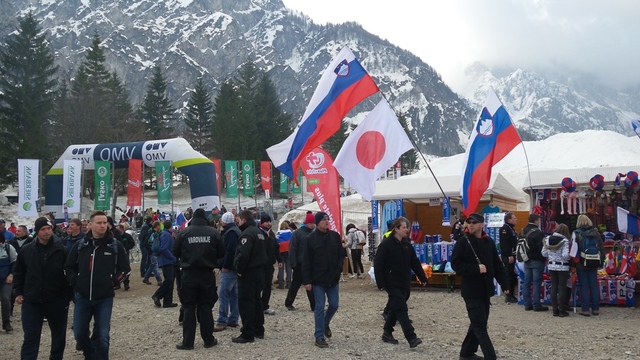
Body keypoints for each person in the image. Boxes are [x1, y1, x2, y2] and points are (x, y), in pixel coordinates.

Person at [65, 211, 130, 360]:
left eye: (105, 223)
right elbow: (68, 267)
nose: (103, 226)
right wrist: (76, 281)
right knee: (79, 333)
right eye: (99, 223)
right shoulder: (80, 245)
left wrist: (114, 281)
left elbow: (125, 268)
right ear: (90, 225)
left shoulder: (114, 245)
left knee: (102, 336)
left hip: (104, 298)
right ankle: (90, 354)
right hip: (82, 296)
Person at [451, 212, 510, 360]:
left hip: (485, 291)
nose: (471, 225)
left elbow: (496, 265)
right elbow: (456, 265)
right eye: (469, 222)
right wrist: (475, 269)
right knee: (480, 326)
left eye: (474, 222)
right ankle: (491, 356)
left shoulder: (488, 242)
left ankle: (466, 353)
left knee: (478, 323)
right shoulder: (463, 242)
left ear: (482, 225)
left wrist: (505, 283)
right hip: (471, 291)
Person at [13, 217, 71, 360]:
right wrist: (18, 292)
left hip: (56, 300)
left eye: (49, 228)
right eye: (43, 229)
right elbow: (19, 273)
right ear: (37, 231)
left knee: (58, 336)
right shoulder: (26, 250)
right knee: (30, 336)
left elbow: (68, 275)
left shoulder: (62, 250)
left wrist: (66, 297)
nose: (47, 232)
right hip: (32, 300)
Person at [173, 208, 224, 350]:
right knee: (206, 307)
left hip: (189, 274)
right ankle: (208, 340)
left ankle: (188, 342)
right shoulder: (213, 233)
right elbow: (222, 253)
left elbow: (175, 251)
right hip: (207, 274)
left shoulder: (184, 233)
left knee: (189, 308)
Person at [374, 217, 428, 348]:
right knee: (402, 308)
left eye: (407, 227)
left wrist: (422, 277)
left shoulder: (406, 244)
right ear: (396, 229)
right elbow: (378, 263)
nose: (407, 229)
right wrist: (380, 283)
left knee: (395, 307)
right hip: (391, 282)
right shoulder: (386, 244)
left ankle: (387, 332)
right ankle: (411, 337)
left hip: (404, 281)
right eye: (404, 227)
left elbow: (414, 261)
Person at [302, 212, 346, 348]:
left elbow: (341, 255)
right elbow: (306, 261)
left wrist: (339, 269)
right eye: (323, 220)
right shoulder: (311, 239)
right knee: (319, 307)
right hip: (318, 280)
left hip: (333, 278)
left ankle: (325, 323)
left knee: (334, 305)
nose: (327, 221)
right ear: (317, 222)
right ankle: (319, 336)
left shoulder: (334, 236)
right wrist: (307, 281)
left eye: (328, 219)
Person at [232, 210, 267, 343]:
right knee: (256, 300)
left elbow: (243, 254)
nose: (237, 222)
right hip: (259, 271)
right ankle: (258, 329)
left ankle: (247, 333)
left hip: (249, 272)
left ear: (244, 220)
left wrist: (239, 269)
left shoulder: (247, 234)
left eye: (239, 219)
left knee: (246, 302)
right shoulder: (259, 232)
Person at [572, 214, 604, 316]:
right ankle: (595, 308)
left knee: (584, 286)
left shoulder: (576, 233)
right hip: (594, 262)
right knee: (593, 285)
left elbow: (573, 250)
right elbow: (602, 249)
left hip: (581, 263)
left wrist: (574, 264)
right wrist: (600, 262)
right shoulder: (596, 233)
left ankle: (585, 309)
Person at [285, 212, 316, 311]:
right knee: (296, 284)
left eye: (313, 223)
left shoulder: (314, 233)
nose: (312, 224)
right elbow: (292, 249)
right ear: (306, 223)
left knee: (310, 284)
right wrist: (293, 264)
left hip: (310, 264)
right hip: (299, 263)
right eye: (310, 223)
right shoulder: (297, 233)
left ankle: (314, 305)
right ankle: (288, 302)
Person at [215, 212, 241, 332]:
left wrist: (225, 265)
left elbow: (230, 251)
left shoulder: (230, 233)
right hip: (235, 267)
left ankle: (222, 320)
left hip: (229, 267)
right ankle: (234, 318)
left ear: (224, 221)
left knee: (223, 293)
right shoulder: (236, 230)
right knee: (233, 294)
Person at [541, 223, 571, 317]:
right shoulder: (565, 241)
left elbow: (544, 253)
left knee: (554, 287)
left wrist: (552, 256)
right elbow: (565, 256)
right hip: (563, 266)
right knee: (562, 287)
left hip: (551, 266)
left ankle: (555, 310)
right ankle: (562, 310)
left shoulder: (547, 239)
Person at [521, 214, 548, 311]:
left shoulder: (523, 230)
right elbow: (542, 248)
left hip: (526, 259)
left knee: (526, 282)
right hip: (537, 260)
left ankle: (527, 304)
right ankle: (537, 305)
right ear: (536, 221)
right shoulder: (538, 232)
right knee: (536, 283)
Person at [259, 214, 282, 315]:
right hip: (259, 265)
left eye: (269, 221)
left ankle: (265, 306)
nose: (269, 224)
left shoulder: (272, 234)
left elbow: (276, 248)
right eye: (266, 222)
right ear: (262, 222)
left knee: (268, 285)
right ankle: (257, 305)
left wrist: (279, 260)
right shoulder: (258, 233)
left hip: (269, 265)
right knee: (259, 286)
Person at [152, 220, 178, 308]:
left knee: (169, 281)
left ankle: (167, 301)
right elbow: (164, 248)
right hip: (167, 261)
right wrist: (173, 258)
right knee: (168, 280)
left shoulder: (165, 234)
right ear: (171, 226)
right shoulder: (166, 235)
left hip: (166, 260)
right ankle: (157, 295)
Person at [498, 212, 519, 304]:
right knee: (509, 274)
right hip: (508, 256)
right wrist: (509, 255)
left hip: (513, 254)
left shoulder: (511, 229)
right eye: (514, 218)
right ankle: (508, 295)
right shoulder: (505, 229)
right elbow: (505, 244)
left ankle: (512, 294)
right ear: (509, 219)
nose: (516, 219)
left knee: (513, 275)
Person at [0, 232, 17, 333]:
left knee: (6, 299)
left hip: (6, 279)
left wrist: (11, 275)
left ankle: (6, 323)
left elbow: (14, 263)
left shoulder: (8, 248)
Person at [142, 221, 164, 286]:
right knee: (155, 265)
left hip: (153, 251)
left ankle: (146, 278)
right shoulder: (152, 233)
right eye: (159, 225)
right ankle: (159, 279)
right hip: (153, 251)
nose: (160, 227)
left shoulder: (154, 233)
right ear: (157, 226)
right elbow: (146, 243)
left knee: (152, 265)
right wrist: (150, 251)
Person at [116, 224, 136, 291]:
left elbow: (132, 243)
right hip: (117, 255)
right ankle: (117, 283)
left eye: (118, 229)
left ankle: (126, 283)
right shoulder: (116, 236)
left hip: (125, 254)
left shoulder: (127, 236)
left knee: (126, 269)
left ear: (121, 229)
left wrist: (126, 248)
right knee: (117, 269)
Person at [275, 221, 293, 289]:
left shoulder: (279, 233)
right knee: (289, 268)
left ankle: (281, 283)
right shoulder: (291, 232)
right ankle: (288, 283)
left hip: (281, 252)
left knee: (281, 268)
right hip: (289, 251)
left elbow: (276, 242)